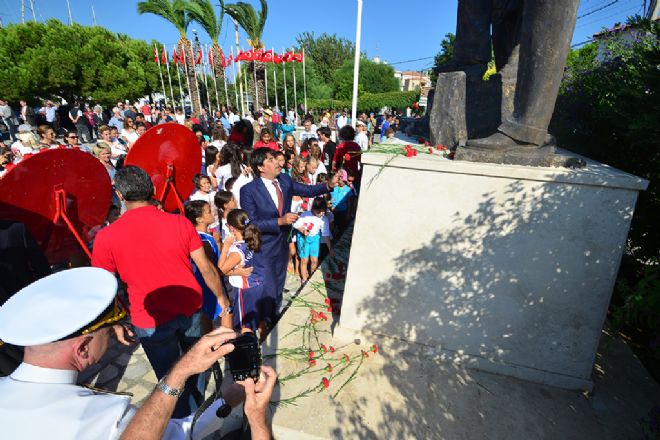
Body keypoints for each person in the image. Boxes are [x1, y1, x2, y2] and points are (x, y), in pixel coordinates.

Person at [0, 267, 276, 440]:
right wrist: (180, 372)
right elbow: (176, 434)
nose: (116, 333)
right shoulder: (103, 416)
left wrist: (226, 400)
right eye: (109, 329)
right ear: (82, 348)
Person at [91, 166, 230, 418]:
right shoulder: (179, 222)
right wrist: (221, 297)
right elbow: (206, 267)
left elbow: (102, 286)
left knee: (168, 377)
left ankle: (182, 418)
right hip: (189, 308)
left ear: (120, 196)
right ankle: (195, 409)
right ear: (153, 190)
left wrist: (114, 322)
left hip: (149, 319)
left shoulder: (106, 237)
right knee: (195, 363)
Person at [239, 149, 339, 326]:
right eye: (271, 160)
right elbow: (252, 223)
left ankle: (273, 318)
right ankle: (261, 322)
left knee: (278, 283)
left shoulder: (284, 180)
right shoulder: (249, 190)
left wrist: (328, 185)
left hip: (282, 243)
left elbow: (307, 190)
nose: (278, 162)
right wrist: (280, 221)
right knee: (267, 286)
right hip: (264, 246)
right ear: (260, 167)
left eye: (276, 159)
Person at [184, 200, 231, 331]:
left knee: (207, 316)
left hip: (204, 284)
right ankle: (229, 344)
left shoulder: (200, 236)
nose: (212, 213)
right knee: (227, 312)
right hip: (211, 284)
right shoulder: (203, 240)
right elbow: (212, 268)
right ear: (199, 219)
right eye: (208, 211)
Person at [219, 209, 265, 336]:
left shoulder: (237, 249)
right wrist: (236, 271)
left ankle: (250, 351)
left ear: (232, 228)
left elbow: (220, 270)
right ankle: (264, 343)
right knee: (258, 318)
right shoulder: (253, 240)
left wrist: (225, 247)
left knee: (245, 324)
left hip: (244, 290)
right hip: (258, 284)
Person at [293, 197, 331, 283]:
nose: (321, 213)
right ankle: (304, 279)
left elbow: (326, 235)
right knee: (304, 260)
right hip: (303, 239)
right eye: (319, 212)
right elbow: (296, 225)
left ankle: (312, 276)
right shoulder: (305, 215)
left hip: (315, 239)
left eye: (323, 211)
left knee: (314, 260)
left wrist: (330, 249)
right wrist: (302, 230)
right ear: (313, 208)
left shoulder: (324, 219)